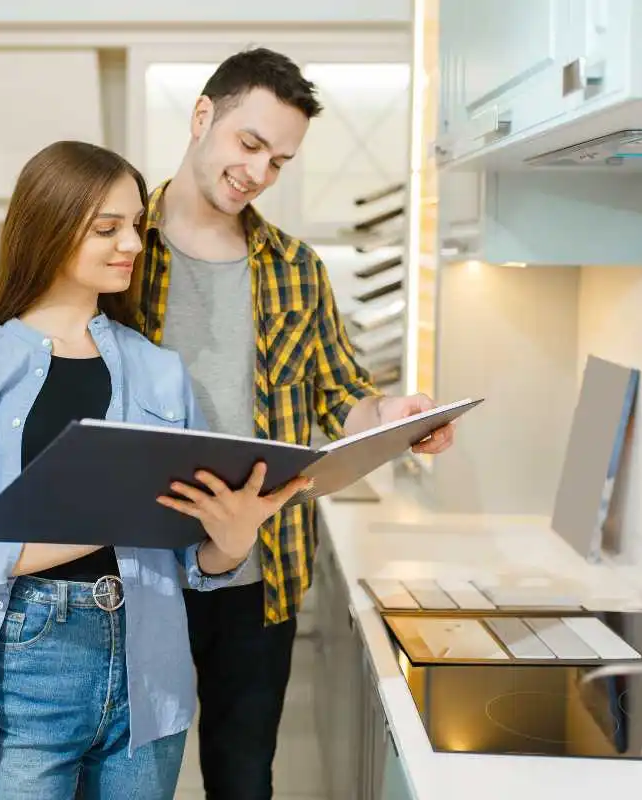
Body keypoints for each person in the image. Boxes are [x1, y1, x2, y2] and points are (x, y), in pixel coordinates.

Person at [0, 140, 310, 800]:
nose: (133, 245)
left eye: (136, 228)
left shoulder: (159, 370)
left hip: (150, 671)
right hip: (24, 666)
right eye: (108, 228)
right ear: (51, 226)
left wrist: (232, 536)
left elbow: (191, 561)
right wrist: (118, 516)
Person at [137, 48, 456, 798]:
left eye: (279, 161)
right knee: (133, 778)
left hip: (261, 574)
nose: (258, 172)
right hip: (139, 572)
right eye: (250, 145)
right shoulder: (123, 247)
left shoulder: (294, 267)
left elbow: (342, 394)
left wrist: (395, 416)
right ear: (202, 116)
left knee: (244, 778)